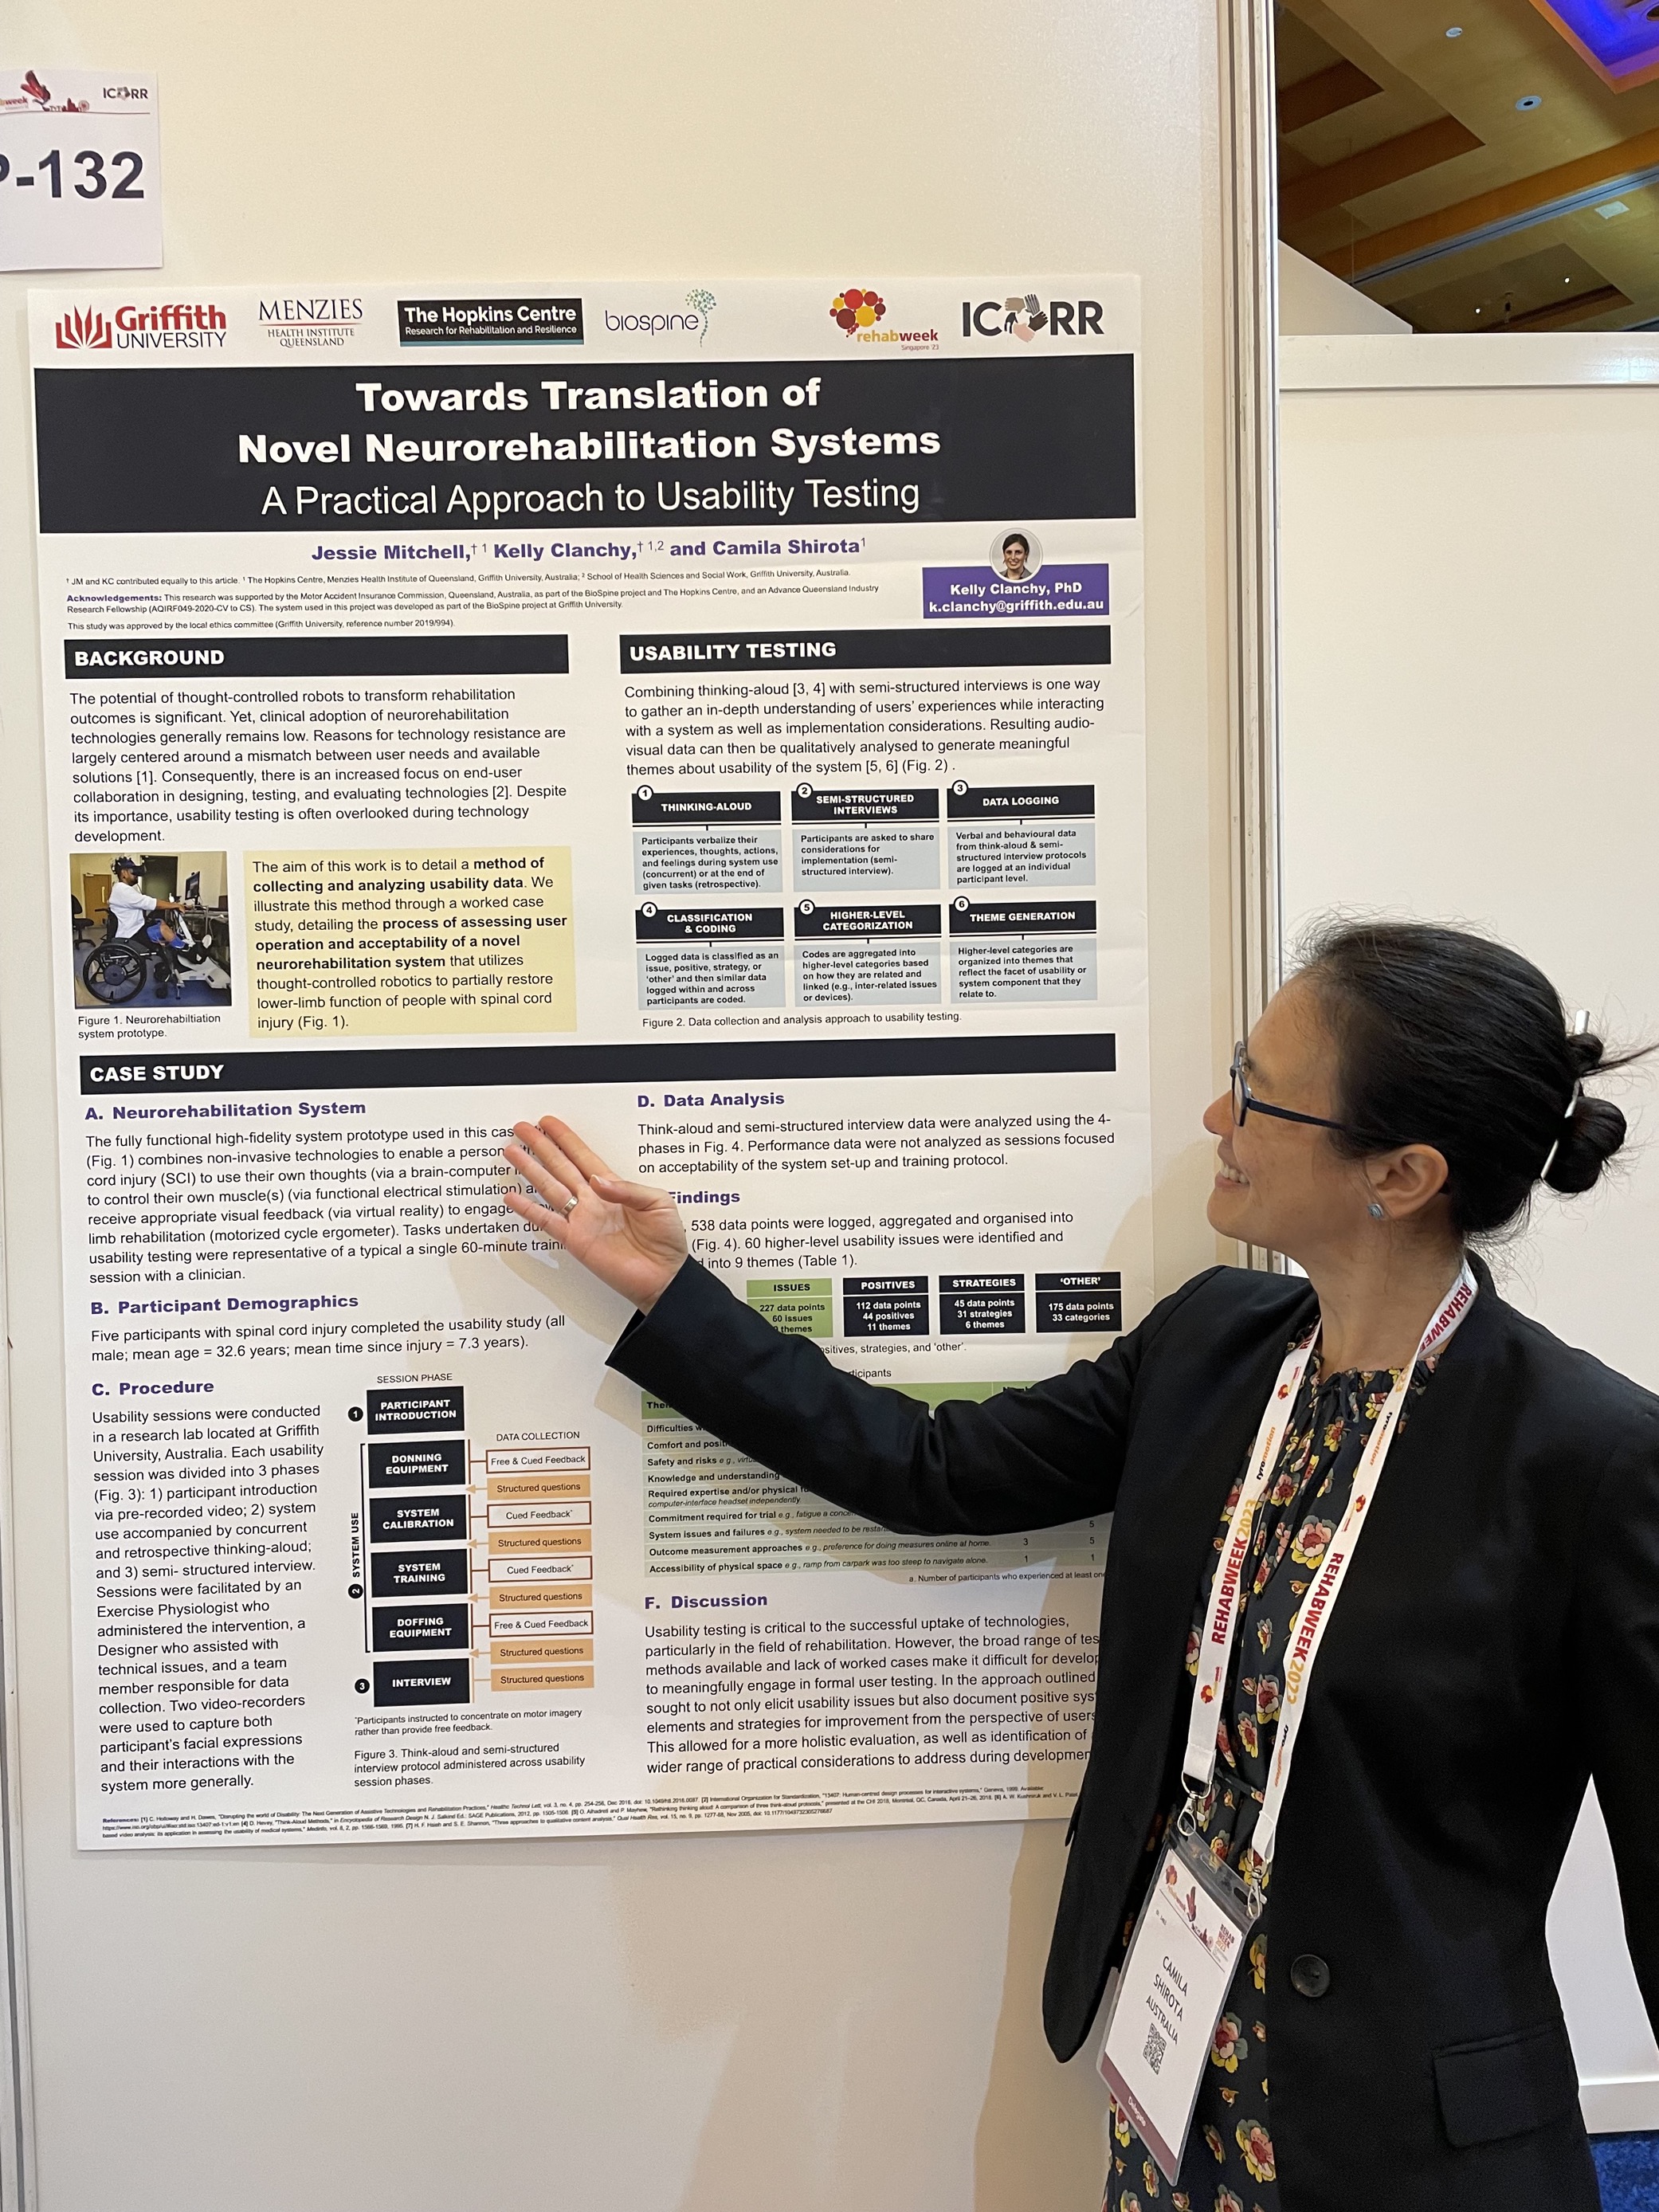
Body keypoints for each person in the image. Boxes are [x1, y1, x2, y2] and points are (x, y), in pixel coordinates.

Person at [500, 920, 1659, 2212]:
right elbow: (930, 1469)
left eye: (1260, 1093)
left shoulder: (1591, 1459)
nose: (1217, 1112)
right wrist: (676, 1292)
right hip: (1184, 2091)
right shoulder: (1217, 1346)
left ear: (1397, 1172)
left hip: (1415, 2149)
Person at [107, 856, 180, 947]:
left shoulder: (121, 889)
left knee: (160, 920)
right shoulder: (122, 890)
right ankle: (187, 951)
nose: (136, 876)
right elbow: (150, 903)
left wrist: (172, 904)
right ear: (124, 873)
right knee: (163, 928)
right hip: (131, 933)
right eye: (133, 873)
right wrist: (175, 905)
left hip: (135, 927)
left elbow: (146, 901)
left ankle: (170, 949)